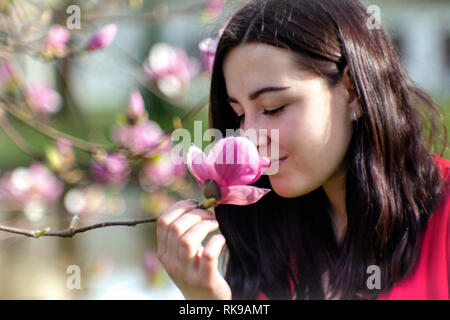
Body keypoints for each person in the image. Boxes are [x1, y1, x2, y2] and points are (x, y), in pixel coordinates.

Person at [156, 0, 449, 300]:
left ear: (351, 92)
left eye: (273, 108)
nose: (248, 137)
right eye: (240, 114)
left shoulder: (443, 217)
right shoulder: (269, 235)